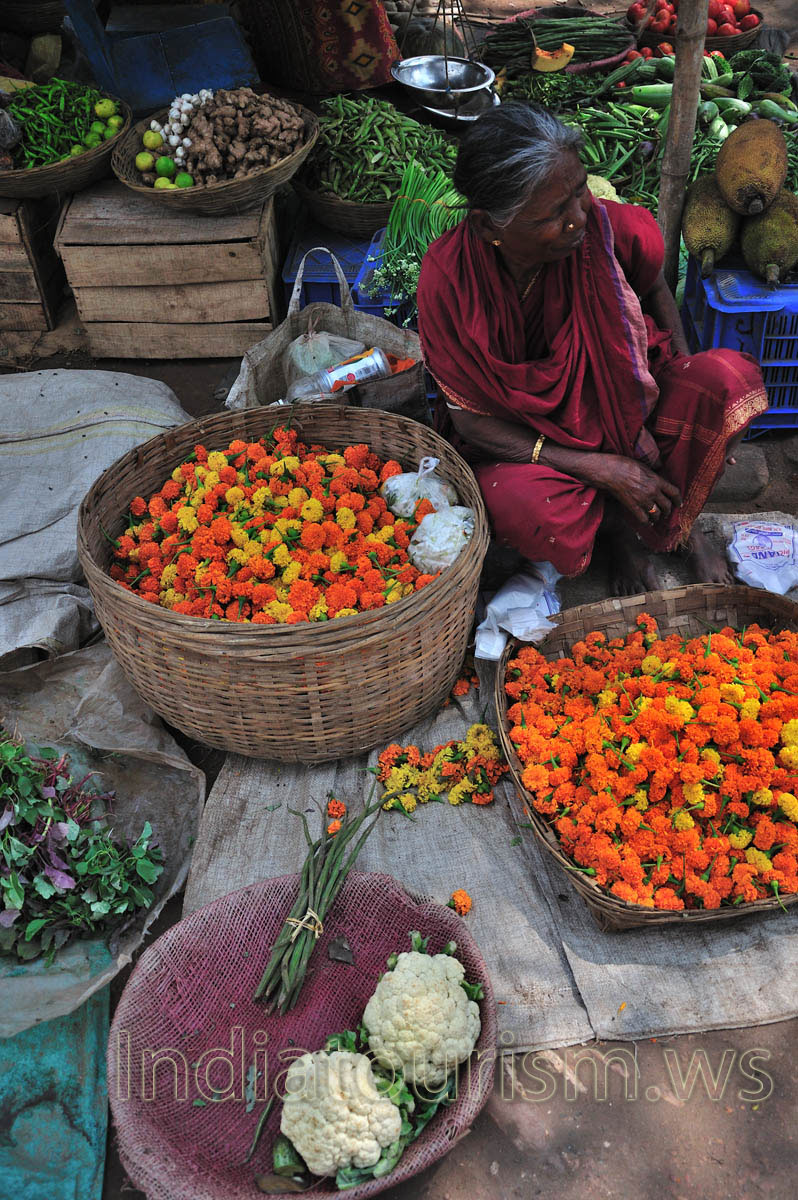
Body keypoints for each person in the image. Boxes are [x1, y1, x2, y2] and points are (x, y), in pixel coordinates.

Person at [416, 103, 769, 595]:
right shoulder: (448, 281)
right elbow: (472, 420)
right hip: (533, 447)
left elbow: (655, 289)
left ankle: (682, 528)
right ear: (487, 226)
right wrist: (599, 466)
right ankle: (618, 533)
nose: (579, 218)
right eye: (553, 214)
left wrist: (694, 398)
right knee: (532, 514)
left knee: (722, 383)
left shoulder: (610, 230)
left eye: (579, 192)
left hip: (631, 409)